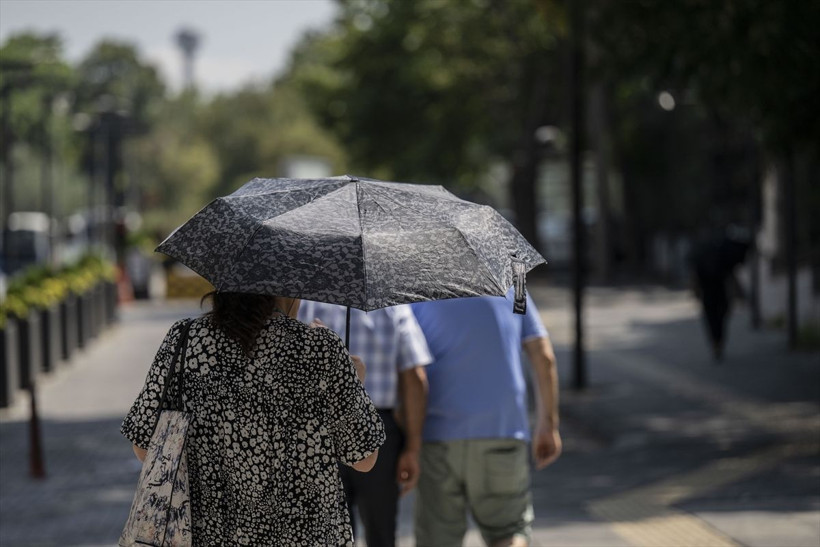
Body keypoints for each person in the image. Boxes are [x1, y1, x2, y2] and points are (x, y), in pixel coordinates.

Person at [121, 292, 385, 545]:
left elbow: (144, 447)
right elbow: (364, 459)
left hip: (206, 536)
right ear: (286, 288)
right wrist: (353, 383)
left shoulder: (184, 339)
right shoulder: (320, 348)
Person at [410, 289, 561, 547]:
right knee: (509, 531)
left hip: (437, 435)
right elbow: (543, 355)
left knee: (438, 538)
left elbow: (410, 369)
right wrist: (548, 425)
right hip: (503, 430)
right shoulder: (513, 280)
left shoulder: (417, 288)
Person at [298, 301, 432, 547]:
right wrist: (412, 448)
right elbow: (415, 376)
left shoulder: (309, 304)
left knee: (327, 534)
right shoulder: (394, 308)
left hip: (321, 429)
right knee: (381, 533)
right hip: (380, 431)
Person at [689, 227, 751, 361]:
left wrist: (696, 290)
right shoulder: (718, 251)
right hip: (718, 290)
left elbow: (696, 276)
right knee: (719, 316)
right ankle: (718, 342)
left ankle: (716, 342)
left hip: (711, 291)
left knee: (713, 317)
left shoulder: (704, 252)